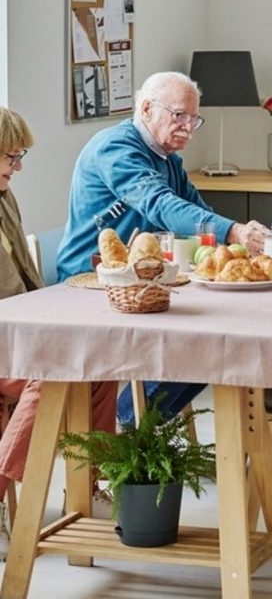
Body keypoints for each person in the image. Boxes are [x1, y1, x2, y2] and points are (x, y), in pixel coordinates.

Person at [56, 71, 271, 426]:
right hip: (91, 281)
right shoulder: (116, 148)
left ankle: (134, 423)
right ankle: (130, 422)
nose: (188, 127)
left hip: (142, 284)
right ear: (146, 109)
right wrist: (233, 231)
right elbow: (159, 204)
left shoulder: (169, 159)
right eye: (179, 115)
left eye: (194, 119)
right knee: (205, 339)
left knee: (221, 338)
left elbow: (199, 214)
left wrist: (242, 246)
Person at [0, 108, 117, 559]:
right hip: (9, 340)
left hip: (21, 329)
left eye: (20, 155)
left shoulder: (5, 197)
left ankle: (85, 488)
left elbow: (23, 277)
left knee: (101, 365)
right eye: (11, 156)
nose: (19, 166)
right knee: (55, 376)